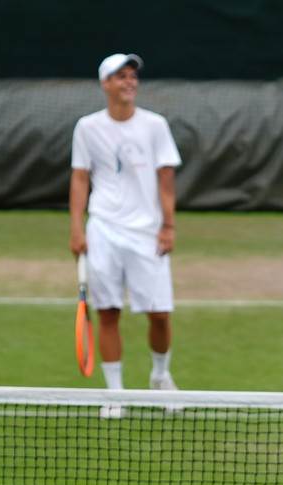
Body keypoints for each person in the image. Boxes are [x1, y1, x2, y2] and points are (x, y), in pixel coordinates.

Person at [69, 53, 182, 417]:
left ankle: (160, 377)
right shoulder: (86, 127)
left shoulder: (155, 125)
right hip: (102, 228)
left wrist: (167, 226)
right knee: (108, 313)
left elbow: (166, 181)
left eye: (133, 76)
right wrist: (76, 227)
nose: (129, 81)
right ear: (106, 84)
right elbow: (80, 178)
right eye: (121, 76)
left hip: (147, 234)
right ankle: (114, 393)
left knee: (160, 314)